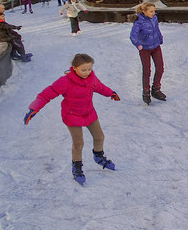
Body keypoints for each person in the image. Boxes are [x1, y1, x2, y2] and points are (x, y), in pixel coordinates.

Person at [25, 53, 119, 185]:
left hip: (89, 112)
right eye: (83, 70)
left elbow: (99, 87)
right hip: (72, 115)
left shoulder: (91, 78)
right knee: (78, 143)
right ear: (74, 68)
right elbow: (47, 94)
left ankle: (98, 157)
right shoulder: (65, 81)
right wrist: (34, 108)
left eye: (89, 69)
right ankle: (77, 167)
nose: (87, 72)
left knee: (99, 137)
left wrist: (111, 93)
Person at [130, 2, 167, 105]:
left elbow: (157, 29)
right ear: (144, 11)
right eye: (151, 11)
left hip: (156, 46)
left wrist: (160, 38)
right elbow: (133, 36)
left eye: (154, 11)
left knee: (160, 68)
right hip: (145, 49)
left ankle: (156, 89)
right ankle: (146, 93)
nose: (153, 13)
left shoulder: (154, 18)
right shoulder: (139, 22)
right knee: (147, 70)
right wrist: (138, 45)